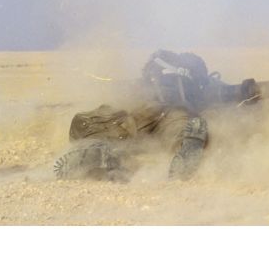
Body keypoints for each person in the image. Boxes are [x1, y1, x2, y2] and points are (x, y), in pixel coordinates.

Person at [53, 50, 213, 182]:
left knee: (103, 124)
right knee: (182, 131)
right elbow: (226, 94)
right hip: (176, 113)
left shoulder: (151, 75)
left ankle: (99, 151)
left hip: (141, 109)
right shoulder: (198, 84)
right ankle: (186, 150)